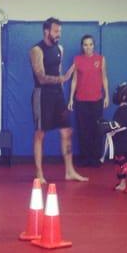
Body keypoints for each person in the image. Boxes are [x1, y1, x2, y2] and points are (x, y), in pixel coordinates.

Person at [29, 17, 88, 184]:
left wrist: (62, 92)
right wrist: (62, 79)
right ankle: (39, 173)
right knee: (40, 134)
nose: (58, 35)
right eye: (56, 31)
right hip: (42, 95)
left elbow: (59, 70)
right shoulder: (36, 50)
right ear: (46, 31)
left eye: (60, 32)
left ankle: (69, 171)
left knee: (67, 131)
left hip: (57, 96)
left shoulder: (59, 48)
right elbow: (40, 77)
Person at [68, 34, 110, 167]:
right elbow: (74, 80)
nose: (88, 47)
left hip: (97, 100)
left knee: (96, 129)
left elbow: (104, 78)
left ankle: (96, 158)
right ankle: (85, 157)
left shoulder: (101, 59)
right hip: (81, 100)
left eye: (90, 44)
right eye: (85, 44)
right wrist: (70, 99)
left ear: (94, 45)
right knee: (83, 130)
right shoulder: (77, 59)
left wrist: (107, 96)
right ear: (82, 46)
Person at [98, 82, 127, 192]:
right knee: (118, 162)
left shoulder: (125, 109)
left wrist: (107, 126)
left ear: (124, 96)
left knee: (125, 162)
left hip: (125, 139)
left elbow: (120, 123)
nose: (115, 94)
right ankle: (122, 183)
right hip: (119, 138)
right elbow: (117, 123)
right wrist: (107, 123)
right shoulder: (122, 109)